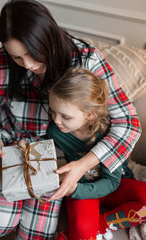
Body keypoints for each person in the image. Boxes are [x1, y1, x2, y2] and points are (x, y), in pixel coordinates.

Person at [0, 0, 141, 239]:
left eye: (32, 54)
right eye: (17, 57)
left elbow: (128, 123)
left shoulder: (85, 59)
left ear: (48, 38)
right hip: (9, 148)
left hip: (53, 161)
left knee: (36, 235)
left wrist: (83, 165)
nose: (27, 65)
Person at [47, 68, 146, 240]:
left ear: (89, 115)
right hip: (81, 189)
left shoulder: (109, 134)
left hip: (116, 184)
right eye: (53, 112)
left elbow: (111, 182)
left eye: (65, 116)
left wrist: (100, 224)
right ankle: (87, 231)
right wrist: (75, 190)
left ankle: (101, 226)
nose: (56, 120)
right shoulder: (54, 132)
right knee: (83, 233)